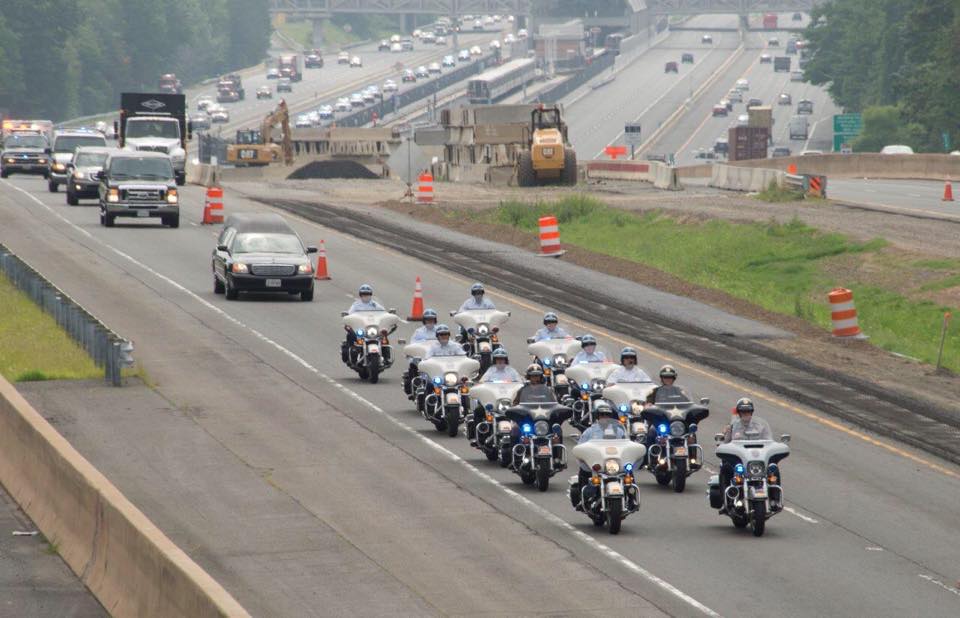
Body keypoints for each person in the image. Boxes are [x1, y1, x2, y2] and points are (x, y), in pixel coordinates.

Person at [718, 398, 781, 512]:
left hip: (757, 459)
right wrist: (726, 434)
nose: (746, 414)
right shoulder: (733, 426)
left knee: (773, 468)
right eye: (743, 412)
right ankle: (725, 501)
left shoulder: (760, 426)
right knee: (725, 468)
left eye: (748, 411)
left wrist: (775, 446)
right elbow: (726, 443)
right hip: (740, 460)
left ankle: (775, 500)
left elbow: (769, 441)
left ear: (752, 412)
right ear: (739, 413)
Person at [570, 402, 627, 511]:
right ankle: (583, 500)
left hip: (614, 463)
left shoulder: (619, 431)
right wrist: (582, 456)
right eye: (602, 415)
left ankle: (630, 495)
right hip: (597, 463)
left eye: (607, 415)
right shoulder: (589, 432)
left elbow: (626, 444)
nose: (605, 417)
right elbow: (580, 447)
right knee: (584, 470)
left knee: (629, 472)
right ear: (597, 416)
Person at [469, 348, 521, 445]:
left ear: (506, 360)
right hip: (493, 402)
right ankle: (477, 436)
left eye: (502, 359)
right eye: (498, 359)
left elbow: (520, 383)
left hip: (508, 402)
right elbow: (482, 382)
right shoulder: (490, 371)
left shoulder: (512, 371)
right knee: (478, 411)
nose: (500, 361)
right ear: (494, 360)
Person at [342, 284, 386, 363]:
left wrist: (388, 316)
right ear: (360, 295)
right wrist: (347, 318)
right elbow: (349, 315)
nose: (366, 296)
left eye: (367, 294)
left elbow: (384, 313)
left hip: (372, 329)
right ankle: (352, 354)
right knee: (350, 335)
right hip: (361, 329)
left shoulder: (375, 305)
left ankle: (386, 356)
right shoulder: (356, 305)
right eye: (363, 294)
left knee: (384, 337)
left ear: (371, 295)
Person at [404, 309, 438, 397]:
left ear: (435, 320)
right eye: (428, 319)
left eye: (432, 319)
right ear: (424, 320)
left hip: (437, 359)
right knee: (413, 364)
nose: (430, 321)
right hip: (423, 359)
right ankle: (413, 387)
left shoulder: (440, 331)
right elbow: (412, 345)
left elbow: (449, 344)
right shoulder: (419, 332)